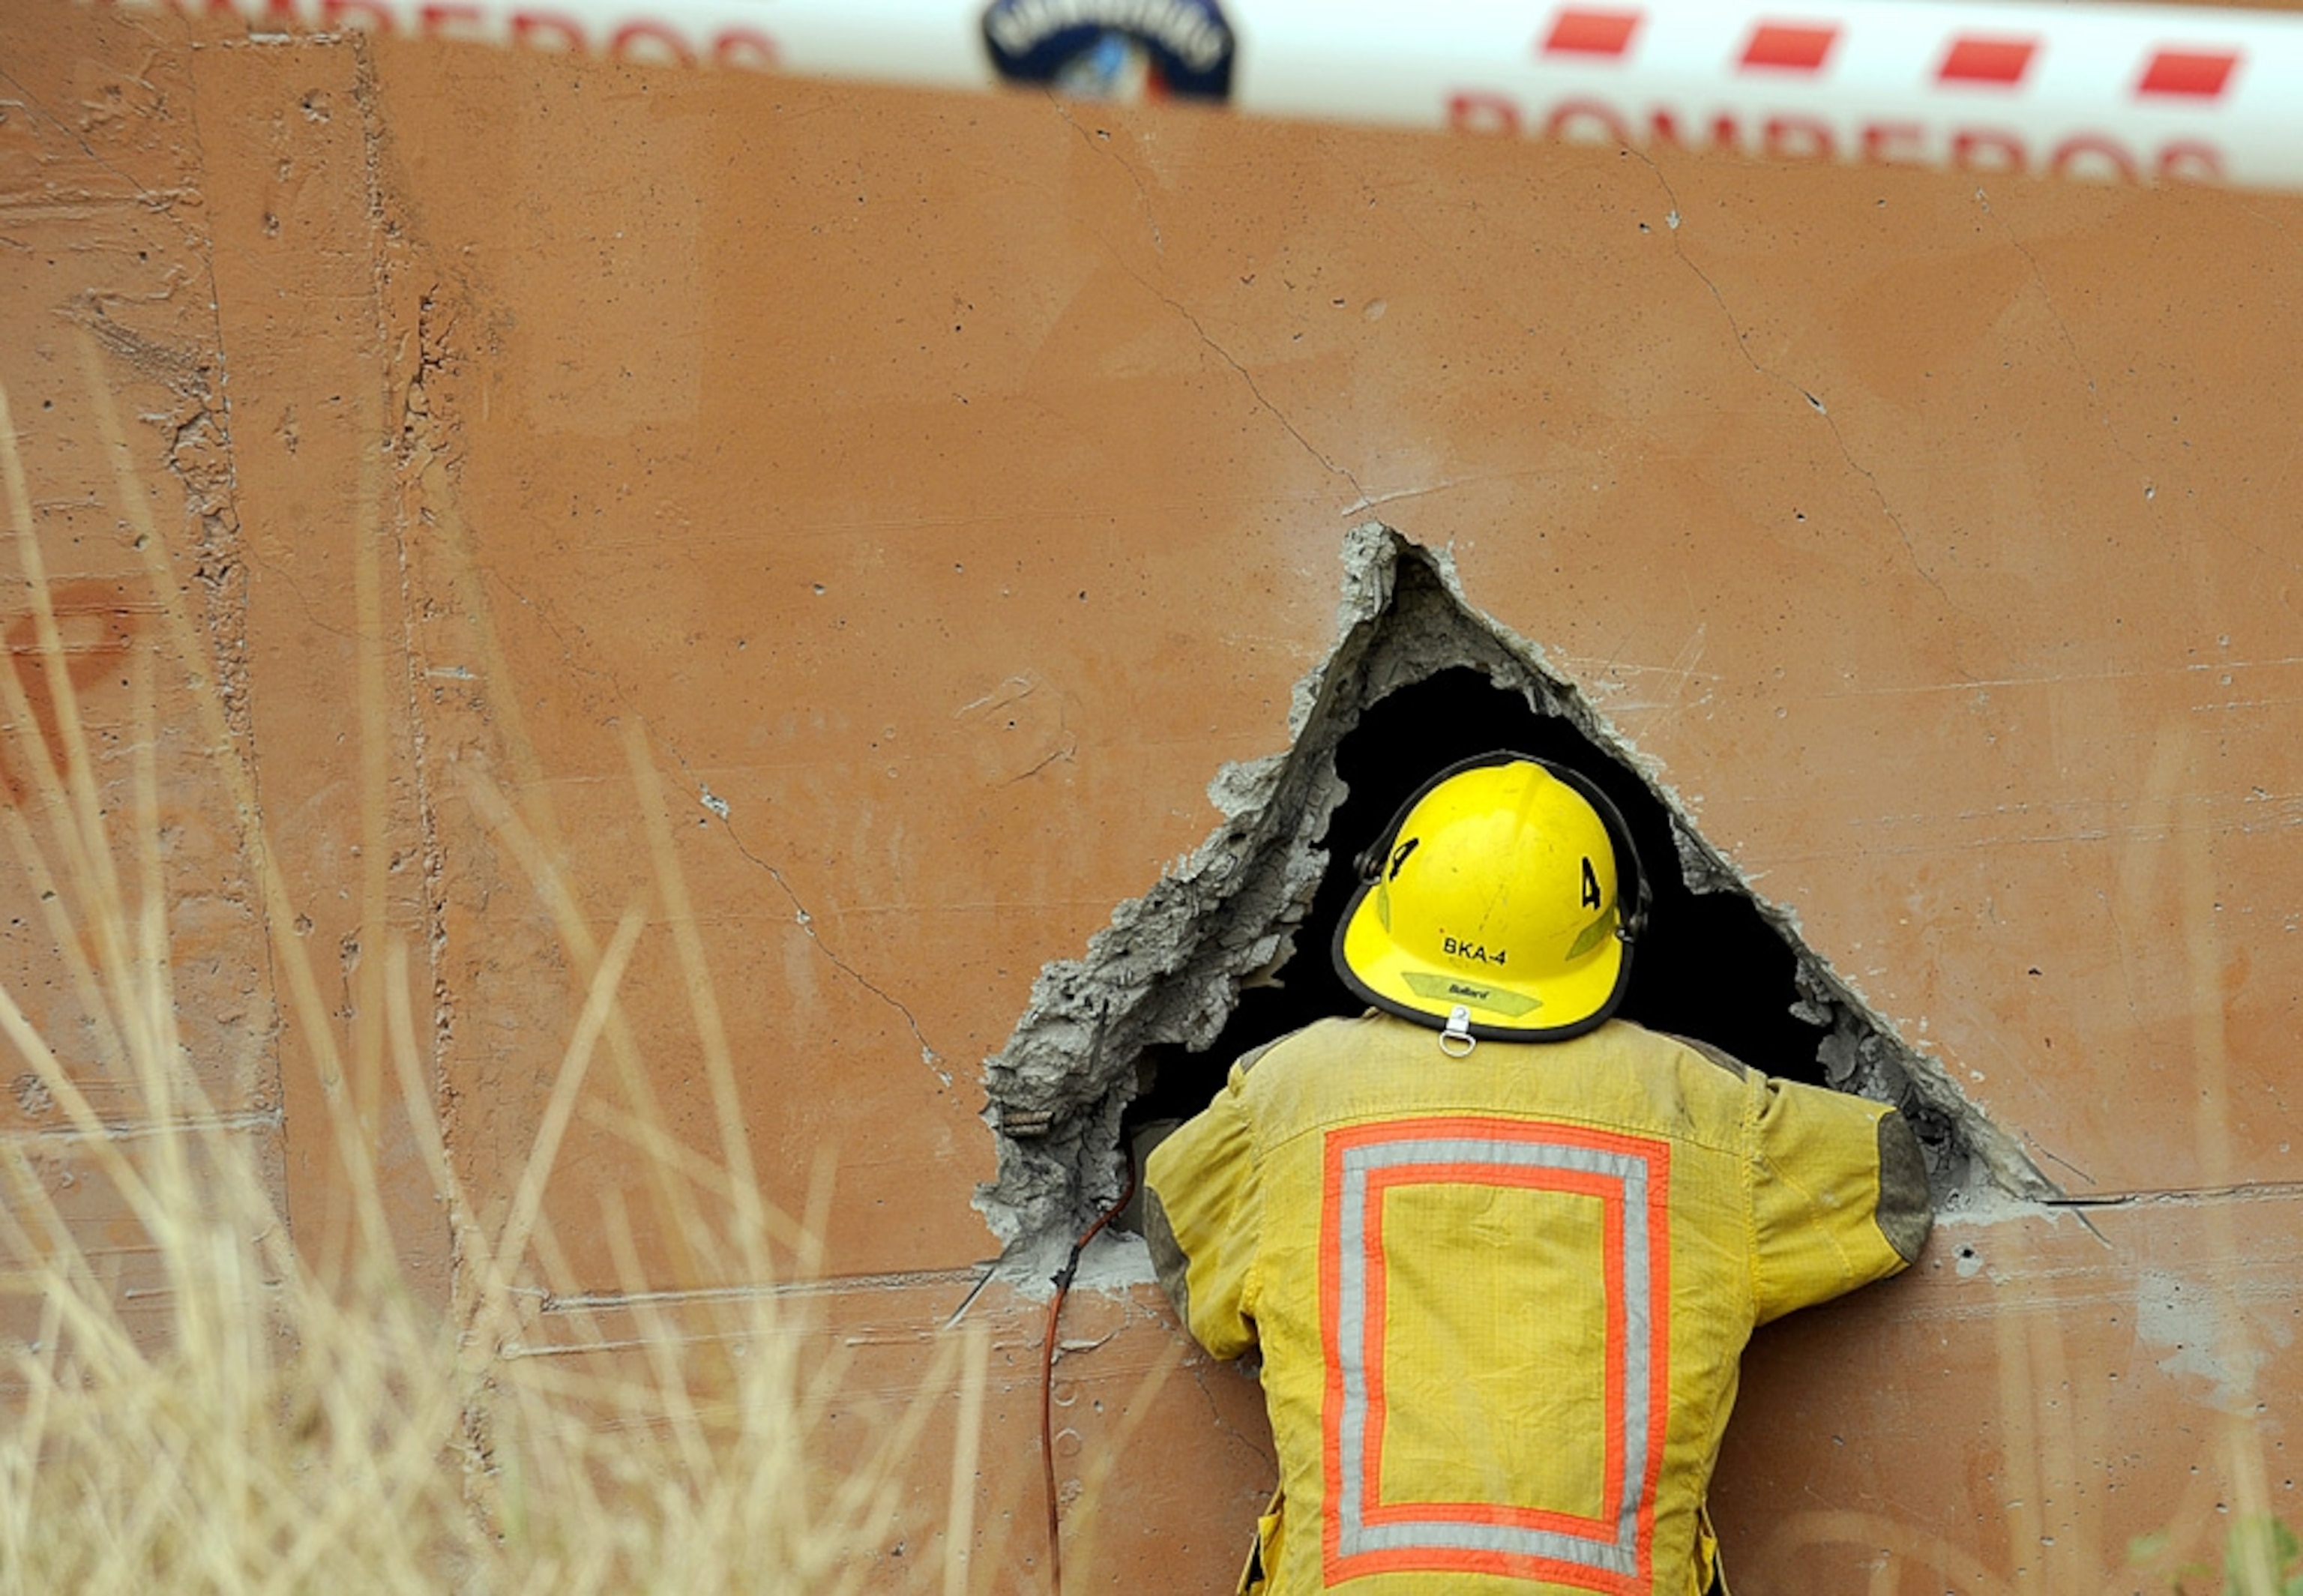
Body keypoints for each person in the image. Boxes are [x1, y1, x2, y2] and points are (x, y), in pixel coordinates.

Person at [1142, 752, 1932, 1595]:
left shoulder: (1283, 1094)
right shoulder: (1707, 1111)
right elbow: (1895, 1193)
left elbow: (1182, 1234)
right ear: (1616, 931)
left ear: (1382, 888)